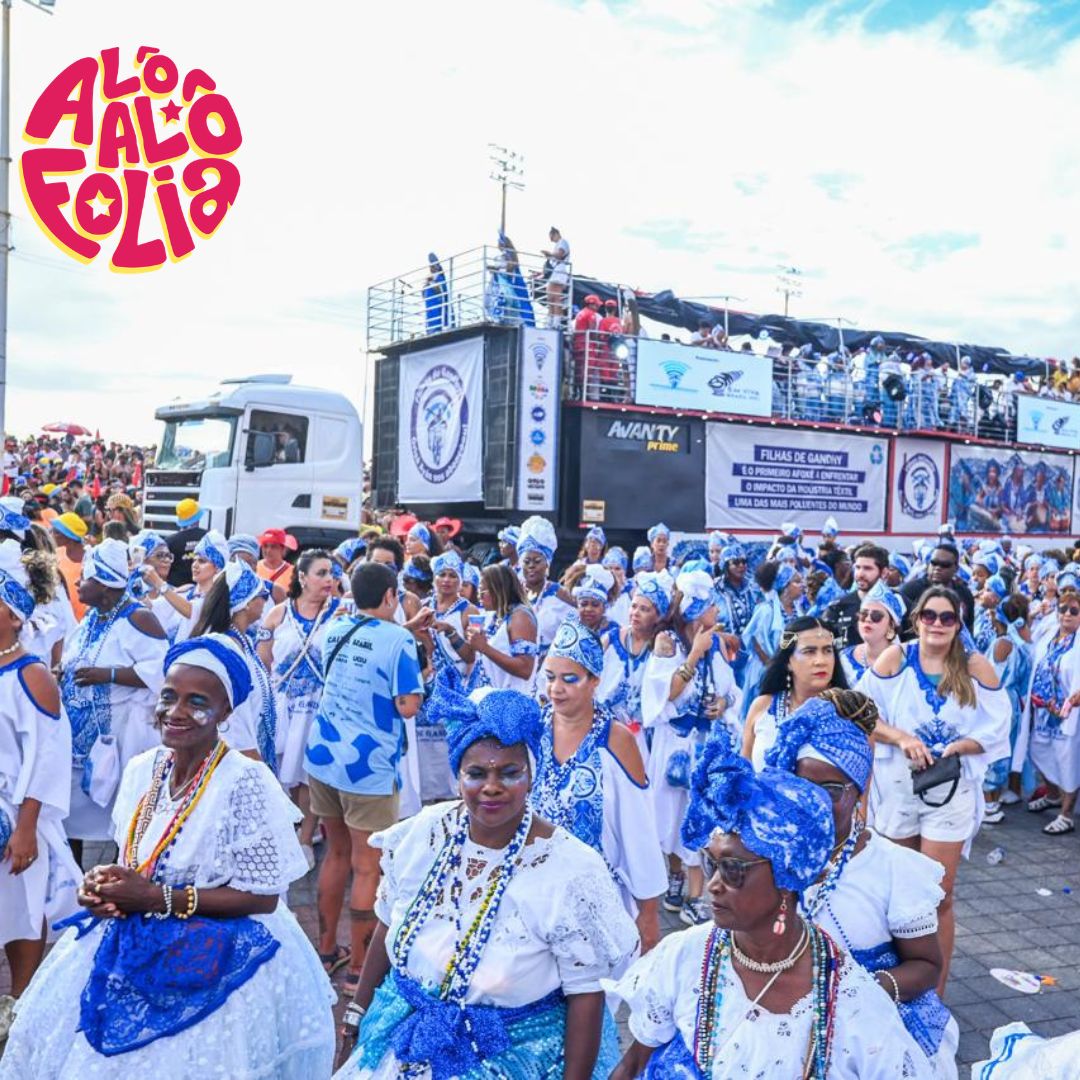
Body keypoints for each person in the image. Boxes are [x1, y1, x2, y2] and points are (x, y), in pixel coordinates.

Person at [0, 636, 336, 1077]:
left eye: (197, 702)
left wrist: (157, 899)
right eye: (168, 696)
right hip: (131, 938)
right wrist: (104, 887)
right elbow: (133, 860)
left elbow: (263, 898)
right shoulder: (144, 768)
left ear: (226, 713)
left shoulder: (245, 781)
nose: (176, 712)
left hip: (218, 952)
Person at [333, 683, 637, 1079]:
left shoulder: (571, 870)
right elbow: (388, 924)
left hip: (518, 1056)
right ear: (457, 776)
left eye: (509, 773)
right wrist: (355, 1016)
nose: (491, 786)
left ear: (531, 776)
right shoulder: (423, 835)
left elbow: (586, 994)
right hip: (399, 1037)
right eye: (476, 773)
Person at [607, 743, 931, 1079]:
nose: (714, 884)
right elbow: (634, 1063)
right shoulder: (684, 957)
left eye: (734, 869)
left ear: (787, 878)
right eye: (710, 864)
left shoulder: (851, 1003)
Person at [767, 691, 960, 1078]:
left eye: (833, 790)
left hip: (869, 1034)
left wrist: (859, 991)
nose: (816, 800)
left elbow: (926, 965)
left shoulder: (893, 868)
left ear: (858, 791)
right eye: (804, 785)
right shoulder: (770, 855)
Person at [863, 586, 1009, 993]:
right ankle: (897, 984)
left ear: (959, 623)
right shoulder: (896, 659)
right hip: (899, 787)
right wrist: (902, 738)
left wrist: (960, 746)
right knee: (897, 893)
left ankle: (935, 995)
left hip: (951, 789)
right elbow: (865, 713)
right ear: (917, 620)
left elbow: (998, 728)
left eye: (948, 617)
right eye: (930, 615)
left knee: (937, 895)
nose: (938, 624)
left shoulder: (975, 665)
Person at [305, 561, 424, 998]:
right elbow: (408, 705)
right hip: (368, 766)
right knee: (367, 864)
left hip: (323, 756)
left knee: (334, 855)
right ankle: (358, 967)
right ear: (391, 595)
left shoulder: (335, 629)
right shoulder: (400, 640)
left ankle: (324, 950)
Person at [531, 620, 666, 948]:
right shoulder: (535, 730)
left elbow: (638, 827)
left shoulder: (616, 739)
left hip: (596, 899)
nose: (556, 689)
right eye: (550, 678)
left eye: (570, 679)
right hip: (536, 893)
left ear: (594, 681)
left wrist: (648, 911)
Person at [0, 541, 80, 1028]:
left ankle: (23, 1005)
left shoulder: (31, 675)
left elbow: (48, 756)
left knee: (24, 910)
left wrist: (26, 826)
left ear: (12, 615)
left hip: (14, 813)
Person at [640, 569, 740, 927]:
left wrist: (725, 704)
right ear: (697, 608)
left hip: (705, 745)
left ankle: (697, 893)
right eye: (710, 604)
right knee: (668, 817)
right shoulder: (668, 640)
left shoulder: (715, 641)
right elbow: (661, 694)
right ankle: (676, 875)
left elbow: (731, 687)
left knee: (700, 816)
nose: (717, 610)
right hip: (674, 746)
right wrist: (694, 655)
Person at [59, 539, 168, 853]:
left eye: (86, 578)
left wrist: (107, 675)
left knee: (121, 817)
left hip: (119, 737)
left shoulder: (138, 618)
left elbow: (161, 672)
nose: (78, 582)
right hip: (80, 737)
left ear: (106, 587)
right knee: (71, 814)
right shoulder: (94, 617)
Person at [259, 549, 340, 866]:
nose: (328, 580)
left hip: (320, 706)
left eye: (331, 573)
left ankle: (306, 837)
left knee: (310, 774)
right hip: (285, 705)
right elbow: (264, 657)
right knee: (282, 770)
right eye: (321, 573)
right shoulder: (277, 615)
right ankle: (285, 832)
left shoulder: (339, 613)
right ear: (302, 578)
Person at [188, 561, 277, 767]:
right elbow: (235, 722)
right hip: (235, 760)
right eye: (262, 596)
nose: (266, 601)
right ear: (246, 602)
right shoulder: (228, 650)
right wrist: (259, 771)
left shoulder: (240, 641)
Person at [742, 615, 848, 768]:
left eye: (827, 650)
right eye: (809, 651)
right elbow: (743, 774)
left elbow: (860, 788)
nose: (821, 661)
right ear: (788, 662)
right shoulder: (762, 707)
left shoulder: (848, 712)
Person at [1023, 580, 1080, 835]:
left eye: (1074, 611)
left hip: (1070, 713)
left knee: (1068, 760)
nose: (1067, 614)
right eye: (1063, 609)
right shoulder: (1049, 635)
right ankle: (1054, 794)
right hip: (1043, 711)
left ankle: (1066, 814)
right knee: (1038, 750)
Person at [598, 572, 668, 754]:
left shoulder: (660, 646)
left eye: (644, 609)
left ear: (658, 616)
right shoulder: (610, 639)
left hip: (644, 736)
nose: (635, 613)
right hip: (606, 729)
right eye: (634, 606)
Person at [982, 593, 1033, 824]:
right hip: (1012, 701)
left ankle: (988, 800)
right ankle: (992, 796)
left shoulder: (1002, 643)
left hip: (999, 699)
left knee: (993, 748)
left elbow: (993, 677)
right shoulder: (1020, 643)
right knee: (1003, 747)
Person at [740, 561, 805, 716]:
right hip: (766, 672)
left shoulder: (798, 610)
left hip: (791, 673)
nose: (802, 585)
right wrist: (774, 669)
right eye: (796, 581)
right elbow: (755, 642)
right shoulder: (766, 610)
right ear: (785, 586)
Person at [464, 563, 538, 694]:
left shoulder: (520, 617)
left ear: (498, 589)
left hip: (510, 705)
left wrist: (484, 648)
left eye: (483, 591)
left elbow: (525, 669)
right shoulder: (493, 616)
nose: (479, 596)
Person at [517, 515, 574, 659]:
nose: (531, 566)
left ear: (547, 564)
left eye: (537, 561)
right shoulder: (513, 593)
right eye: (527, 561)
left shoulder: (560, 595)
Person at [900, 543, 976, 634]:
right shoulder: (910, 590)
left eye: (944, 565)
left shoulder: (965, 594)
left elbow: (969, 629)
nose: (937, 568)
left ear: (956, 568)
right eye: (934, 563)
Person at [840, 581, 905, 685]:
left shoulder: (905, 661)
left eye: (876, 616)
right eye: (863, 614)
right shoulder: (843, 659)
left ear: (891, 625)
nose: (868, 619)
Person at [826, 543, 889, 647]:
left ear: (884, 572)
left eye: (867, 568)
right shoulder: (838, 606)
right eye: (857, 568)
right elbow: (824, 641)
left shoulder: (899, 604)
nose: (860, 574)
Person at [50, 511, 88, 620]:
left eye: (56, 532)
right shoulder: (56, 555)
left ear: (68, 536)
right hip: (63, 619)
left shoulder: (91, 558)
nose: (52, 535)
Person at [164, 498, 207, 588]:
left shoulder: (170, 541)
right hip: (202, 588)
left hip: (176, 590)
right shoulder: (209, 537)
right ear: (198, 518)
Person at [541, 225, 571, 326]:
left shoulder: (562, 242)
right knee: (551, 298)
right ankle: (552, 321)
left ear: (555, 234)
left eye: (551, 237)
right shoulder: (559, 243)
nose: (551, 239)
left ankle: (555, 322)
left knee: (555, 297)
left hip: (559, 270)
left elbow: (560, 254)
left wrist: (550, 254)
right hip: (557, 271)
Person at [257, 527, 298, 593]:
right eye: (265, 546)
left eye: (273, 547)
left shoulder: (293, 573)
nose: (268, 550)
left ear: (283, 549)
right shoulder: (254, 569)